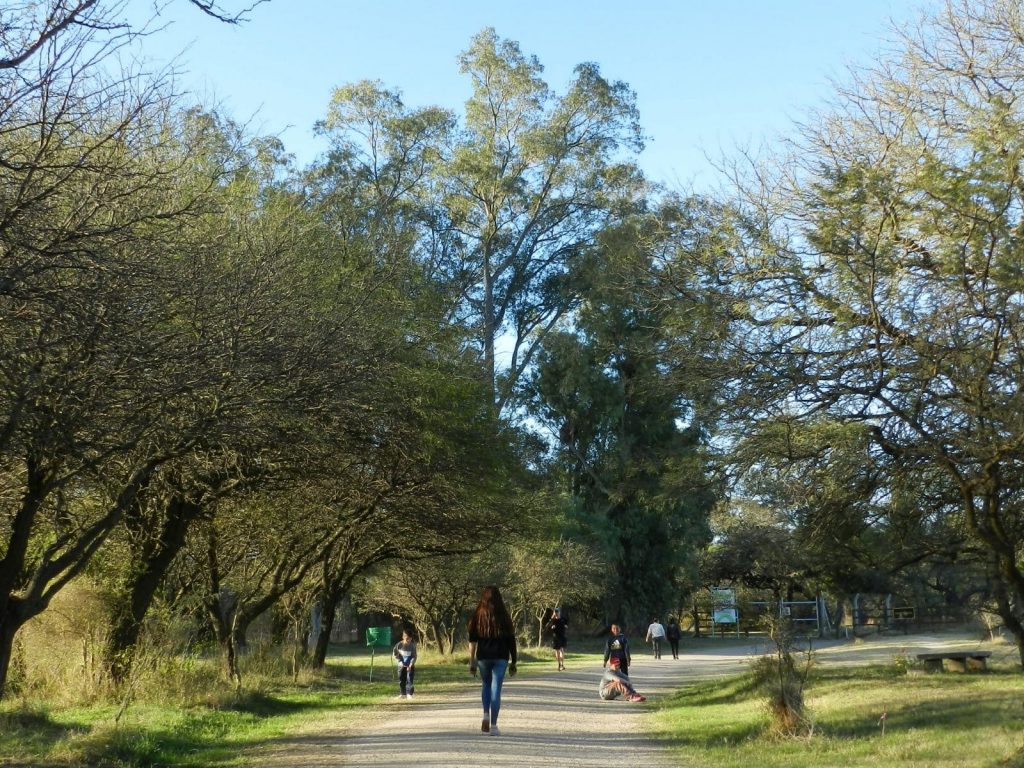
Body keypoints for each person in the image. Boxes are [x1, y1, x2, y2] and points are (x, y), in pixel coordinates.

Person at [468, 586, 518, 736]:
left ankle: (485, 714)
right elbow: (511, 640)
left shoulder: (478, 615)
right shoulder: (504, 615)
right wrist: (514, 661)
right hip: (501, 656)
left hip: (483, 656)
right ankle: (494, 726)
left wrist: (472, 660)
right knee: (496, 689)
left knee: (486, 685)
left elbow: (472, 640)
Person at [392, 629, 417, 700]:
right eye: (407, 638)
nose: (408, 640)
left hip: (410, 666)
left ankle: (409, 694)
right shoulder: (399, 645)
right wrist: (400, 662)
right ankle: (402, 694)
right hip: (401, 666)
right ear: (403, 637)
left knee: (409, 680)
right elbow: (395, 654)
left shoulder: (412, 646)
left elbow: (414, 656)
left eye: (410, 639)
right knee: (401, 680)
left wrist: (411, 664)